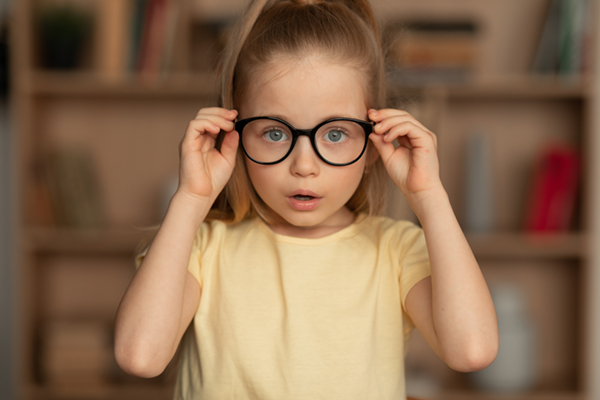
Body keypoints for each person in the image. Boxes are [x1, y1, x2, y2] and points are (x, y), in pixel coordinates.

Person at [114, 0, 499, 398]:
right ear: (235, 134)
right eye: (275, 132)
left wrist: (429, 195)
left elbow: (472, 350)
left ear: (372, 145)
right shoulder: (199, 246)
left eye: (334, 134)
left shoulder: (397, 250)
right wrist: (191, 199)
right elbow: (140, 356)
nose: (304, 165)